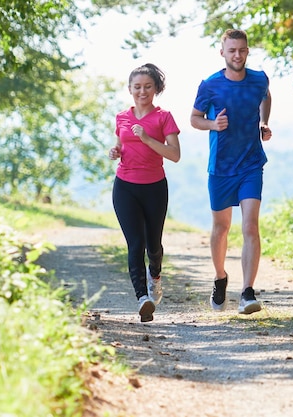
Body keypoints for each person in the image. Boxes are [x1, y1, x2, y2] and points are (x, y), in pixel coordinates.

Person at [190, 28, 272, 315]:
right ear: (222, 52)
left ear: (247, 51)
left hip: (251, 164)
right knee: (221, 228)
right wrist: (213, 125)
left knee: (250, 226)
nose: (237, 55)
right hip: (221, 168)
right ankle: (220, 277)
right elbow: (194, 119)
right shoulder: (210, 85)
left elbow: (266, 96)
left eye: (242, 50)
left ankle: (247, 292)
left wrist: (263, 123)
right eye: (232, 50)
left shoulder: (259, 79)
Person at [109, 63, 181, 322]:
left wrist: (148, 139)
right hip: (125, 186)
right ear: (130, 89)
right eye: (137, 87)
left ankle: (156, 277)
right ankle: (142, 298)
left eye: (147, 87)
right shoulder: (122, 117)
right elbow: (120, 144)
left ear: (156, 89)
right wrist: (115, 151)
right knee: (135, 244)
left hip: (154, 187)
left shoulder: (164, 117)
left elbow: (174, 155)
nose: (142, 91)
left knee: (153, 246)